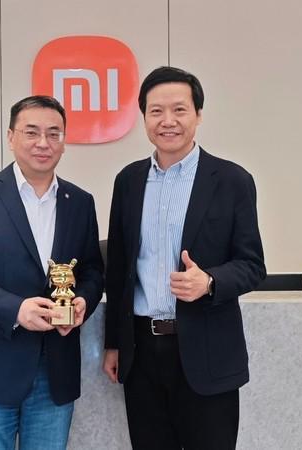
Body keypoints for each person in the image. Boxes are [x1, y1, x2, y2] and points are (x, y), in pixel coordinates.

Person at [102, 66, 266, 450]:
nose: (168, 121)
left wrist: (209, 282)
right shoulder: (128, 181)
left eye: (179, 109)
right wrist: (114, 343)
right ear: (143, 117)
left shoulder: (231, 181)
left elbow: (252, 265)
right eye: (156, 111)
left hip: (207, 352)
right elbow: (119, 270)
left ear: (198, 115)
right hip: (141, 354)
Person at [0, 95, 104, 449]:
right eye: (31, 132)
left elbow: (92, 270)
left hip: (55, 371)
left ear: (64, 142)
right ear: (11, 137)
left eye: (54, 133)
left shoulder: (80, 202)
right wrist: (16, 310)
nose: (43, 142)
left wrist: (82, 302)